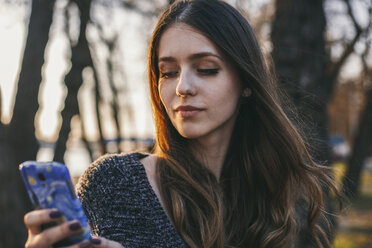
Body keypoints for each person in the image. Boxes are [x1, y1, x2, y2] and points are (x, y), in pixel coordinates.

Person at [23, 0, 339, 247]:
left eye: (205, 68)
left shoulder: (271, 197)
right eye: (168, 72)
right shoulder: (114, 183)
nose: (182, 87)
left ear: (246, 82)